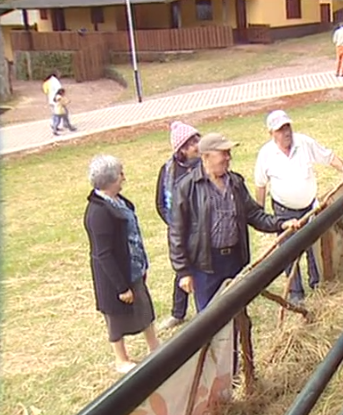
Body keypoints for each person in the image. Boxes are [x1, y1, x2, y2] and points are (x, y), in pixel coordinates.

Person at [169, 132, 298, 314]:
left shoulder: (235, 182)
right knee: (209, 320)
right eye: (224, 153)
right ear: (206, 156)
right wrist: (183, 272)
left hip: (235, 261)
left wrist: (281, 224)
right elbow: (176, 232)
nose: (229, 158)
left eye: (229, 153)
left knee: (238, 315)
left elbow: (254, 214)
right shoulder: (186, 188)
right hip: (206, 265)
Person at [254, 110, 343, 308]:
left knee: (313, 246)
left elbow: (328, 156)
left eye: (287, 127)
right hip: (284, 211)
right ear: (271, 133)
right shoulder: (266, 154)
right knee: (289, 251)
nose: (286, 132)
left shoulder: (304, 143)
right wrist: (261, 214)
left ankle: (317, 284)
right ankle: (295, 292)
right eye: (281, 130)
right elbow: (260, 184)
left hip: (309, 207)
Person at [84, 154, 161, 374]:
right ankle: (121, 359)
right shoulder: (98, 212)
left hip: (134, 268)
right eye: (120, 174)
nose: (124, 178)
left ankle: (154, 345)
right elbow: (103, 254)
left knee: (145, 307)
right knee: (116, 318)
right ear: (109, 179)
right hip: (115, 276)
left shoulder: (118, 201)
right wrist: (121, 287)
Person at [154, 121, 201, 332]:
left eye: (197, 140)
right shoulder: (168, 170)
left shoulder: (205, 165)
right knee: (182, 271)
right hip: (179, 231)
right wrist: (176, 225)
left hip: (203, 229)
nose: (197, 145)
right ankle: (177, 313)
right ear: (181, 149)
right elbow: (161, 203)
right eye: (192, 143)